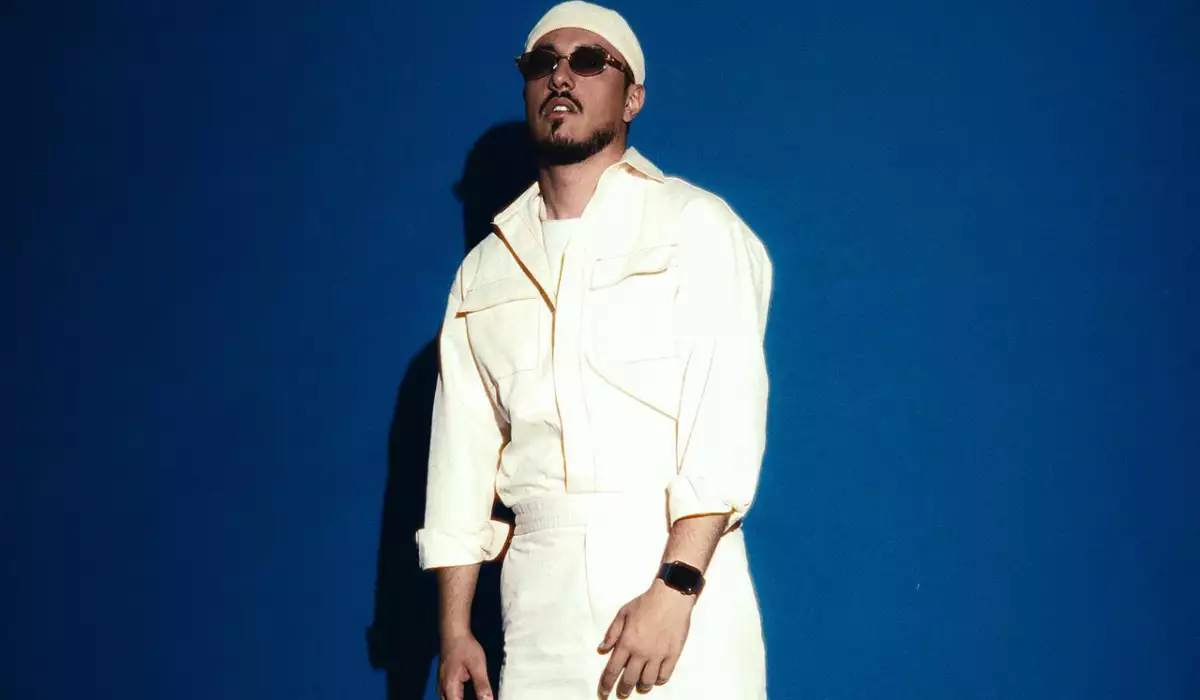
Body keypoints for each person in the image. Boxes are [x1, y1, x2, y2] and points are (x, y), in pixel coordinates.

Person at [415, 2, 773, 698]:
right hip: (537, 599)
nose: (561, 77)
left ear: (632, 97)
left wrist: (676, 586)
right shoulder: (484, 269)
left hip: (672, 575)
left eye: (588, 61)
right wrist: (455, 630)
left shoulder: (694, 225)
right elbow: (461, 458)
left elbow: (724, 418)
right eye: (542, 63)